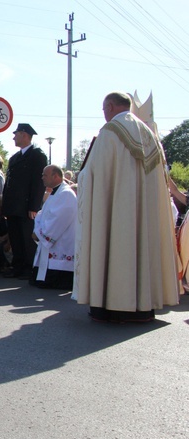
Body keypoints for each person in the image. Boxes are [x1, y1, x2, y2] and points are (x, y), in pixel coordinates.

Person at [74, 91, 179, 322]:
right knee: (143, 246)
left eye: (103, 110)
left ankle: (112, 304)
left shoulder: (111, 131)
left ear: (110, 106)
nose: (104, 115)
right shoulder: (149, 133)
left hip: (117, 212)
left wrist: (80, 177)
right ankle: (143, 306)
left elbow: (94, 175)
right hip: (146, 212)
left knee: (116, 245)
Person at [2, 123, 47, 280]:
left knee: (27, 238)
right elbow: (9, 184)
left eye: (16, 133)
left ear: (25, 135)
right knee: (15, 238)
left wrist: (34, 206)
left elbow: (38, 183)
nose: (14, 137)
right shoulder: (15, 157)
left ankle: (29, 267)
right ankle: (18, 265)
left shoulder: (37, 155)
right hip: (13, 206)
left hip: (27, 206)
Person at [30, 165, 77, 289]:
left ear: (55, 176)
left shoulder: (66, 194)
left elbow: (58, 220)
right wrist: (37, 229)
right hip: (49, 237)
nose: (42, 178)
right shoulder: (55, 193)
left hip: (60, 243)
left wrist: (41, 233)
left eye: (45, 175)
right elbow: (41, 214)